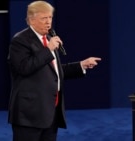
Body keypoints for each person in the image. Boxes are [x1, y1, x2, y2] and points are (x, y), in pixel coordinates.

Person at [7, 1, 101, 141]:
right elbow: (24, 68)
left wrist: (81, 65)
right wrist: (48, 50)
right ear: (31, 19)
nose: (48, 22)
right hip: (29, 114)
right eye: (44, 18)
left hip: (50, 111)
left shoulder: (49, 39)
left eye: (50, 17)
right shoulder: (20, 40)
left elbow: (53, 72)